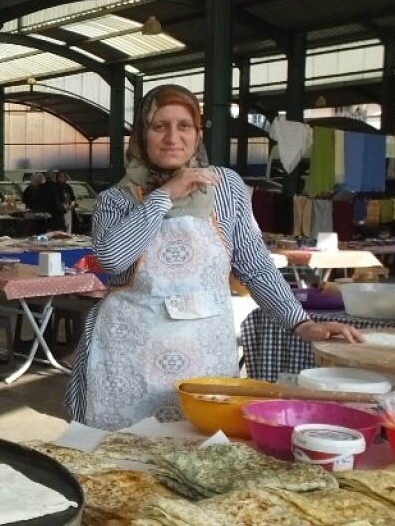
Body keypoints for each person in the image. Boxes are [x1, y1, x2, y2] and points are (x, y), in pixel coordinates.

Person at [63, 84, 362, 431]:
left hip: (205, 353)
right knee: (127, 461)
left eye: (184, 126)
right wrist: (164, 195)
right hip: (129, 355)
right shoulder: (116, 199)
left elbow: (255, 266)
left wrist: (300, 322)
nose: (172, 137)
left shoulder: (226, 187)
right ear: (142, 135)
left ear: (197, 133)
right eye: (159, 126)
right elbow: (113, 259)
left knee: (202, 449)